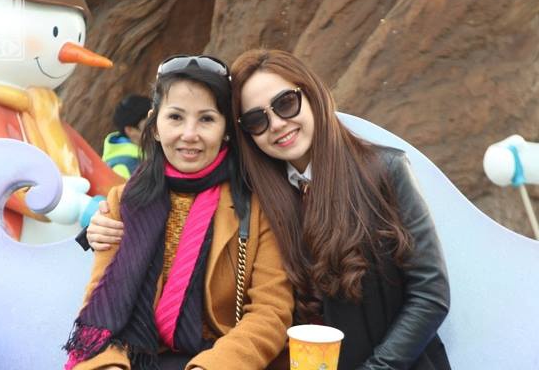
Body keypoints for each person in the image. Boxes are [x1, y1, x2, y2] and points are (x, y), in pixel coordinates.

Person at [87, 49, 451, 370]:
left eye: (286, 103)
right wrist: (96, 226)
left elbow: (430, 293)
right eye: (257, 120)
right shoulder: (264, 190)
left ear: (312, 95)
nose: (277, 124)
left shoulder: (384, 170)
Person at [64, 55, 293, 370]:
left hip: (219, 359)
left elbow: (271, 311)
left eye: (206, 119)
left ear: (226, 129)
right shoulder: (125, 201)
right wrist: (109, 365)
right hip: (134, 359)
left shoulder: (256, 203)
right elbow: (99, 303)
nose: (189, 134)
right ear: (155, 125)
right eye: (175, 117)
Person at [102, 94, 151, 179]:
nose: (157, 128)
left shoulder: (147, 151)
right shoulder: (122, 168)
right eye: (149, 125)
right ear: (130, 130)